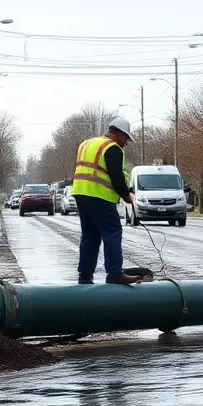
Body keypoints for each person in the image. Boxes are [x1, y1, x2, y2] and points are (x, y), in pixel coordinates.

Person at [72, 117, 140, 285]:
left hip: (81, 193)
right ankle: (115, 273)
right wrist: (126, 195)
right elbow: (116, 177)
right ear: (119, 133)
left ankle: (85, 276)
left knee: (90, 237)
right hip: (99, 196)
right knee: (112, 232)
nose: (126, 143)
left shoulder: (86, 144)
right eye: (126, 139)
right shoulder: (112, 148)